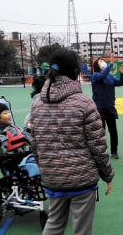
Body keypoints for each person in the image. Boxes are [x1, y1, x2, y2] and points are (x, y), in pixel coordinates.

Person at [30, 48, 114, 235]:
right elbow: (98, 146)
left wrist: (46, 167)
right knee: (82, 230)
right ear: (75, 72)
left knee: (54, 223)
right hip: (82, 179)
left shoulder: (37, 104)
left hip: (53, 178)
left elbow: (34, 143)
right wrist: (107, 175)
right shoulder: (84, 103)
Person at [91, 56, 123, 159]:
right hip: (99, 108)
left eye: (103, 61)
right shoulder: (95, 76)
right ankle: (101, 152)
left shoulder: (109, 77)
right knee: (100, 132)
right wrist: (111, 64)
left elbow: (120, 83)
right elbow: (102, 76)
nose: (103, 62)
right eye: (100, 61)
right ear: (96, 65)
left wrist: (121, 73)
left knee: (113, 131)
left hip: (110, 107)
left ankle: (114, 151)